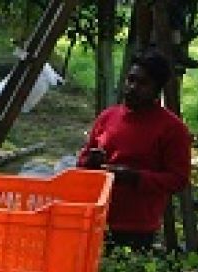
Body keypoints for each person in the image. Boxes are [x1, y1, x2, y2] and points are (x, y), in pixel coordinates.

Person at [79, 52, 192, 250]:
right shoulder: (108, 117)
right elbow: (82, 162)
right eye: (130, 80)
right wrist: (90, 162)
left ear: (157, 90)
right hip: (95, 218)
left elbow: (178, 179)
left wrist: (135, 178)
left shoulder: (172, 129)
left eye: (142, 83)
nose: (132, 88)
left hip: (136, 227)